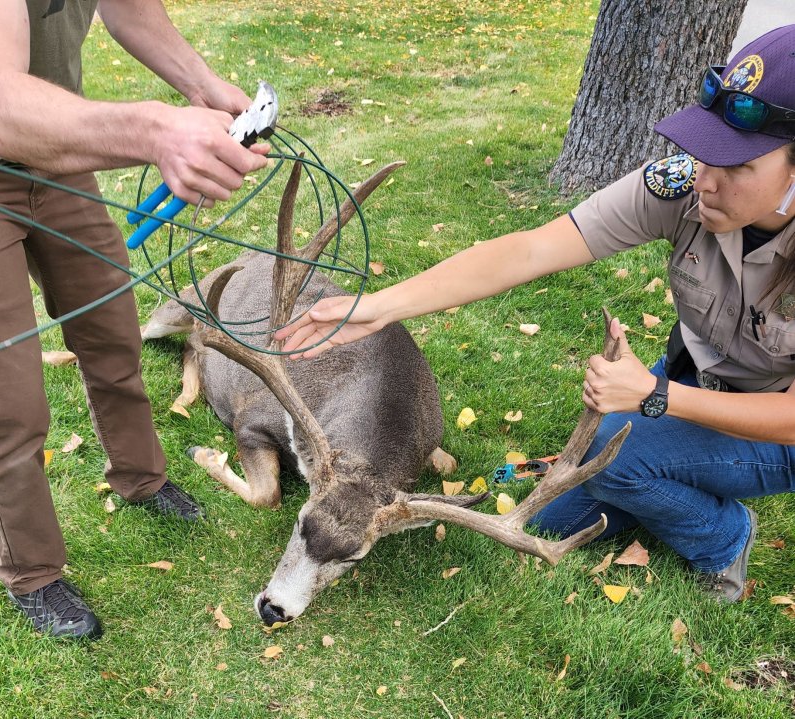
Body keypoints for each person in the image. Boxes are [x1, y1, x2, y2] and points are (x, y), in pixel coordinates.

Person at [276, 26, 795, 603]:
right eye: (706, 149)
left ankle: (723, 539)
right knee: (556, 517)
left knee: (623, 466)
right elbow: (531, 249)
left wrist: (655, 397)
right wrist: (375, 308)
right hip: (692, 376)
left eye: (737, 165)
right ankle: (661, 472)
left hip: (778, 425)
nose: (705, 177)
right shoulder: (684, 189)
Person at [0, 0, 270, 639]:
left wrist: (206, 88)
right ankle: (32, 571)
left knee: (113, 335)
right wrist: (158, 130)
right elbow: (1, 110)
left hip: (55, 157)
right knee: (9, 397)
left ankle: (140, 478)